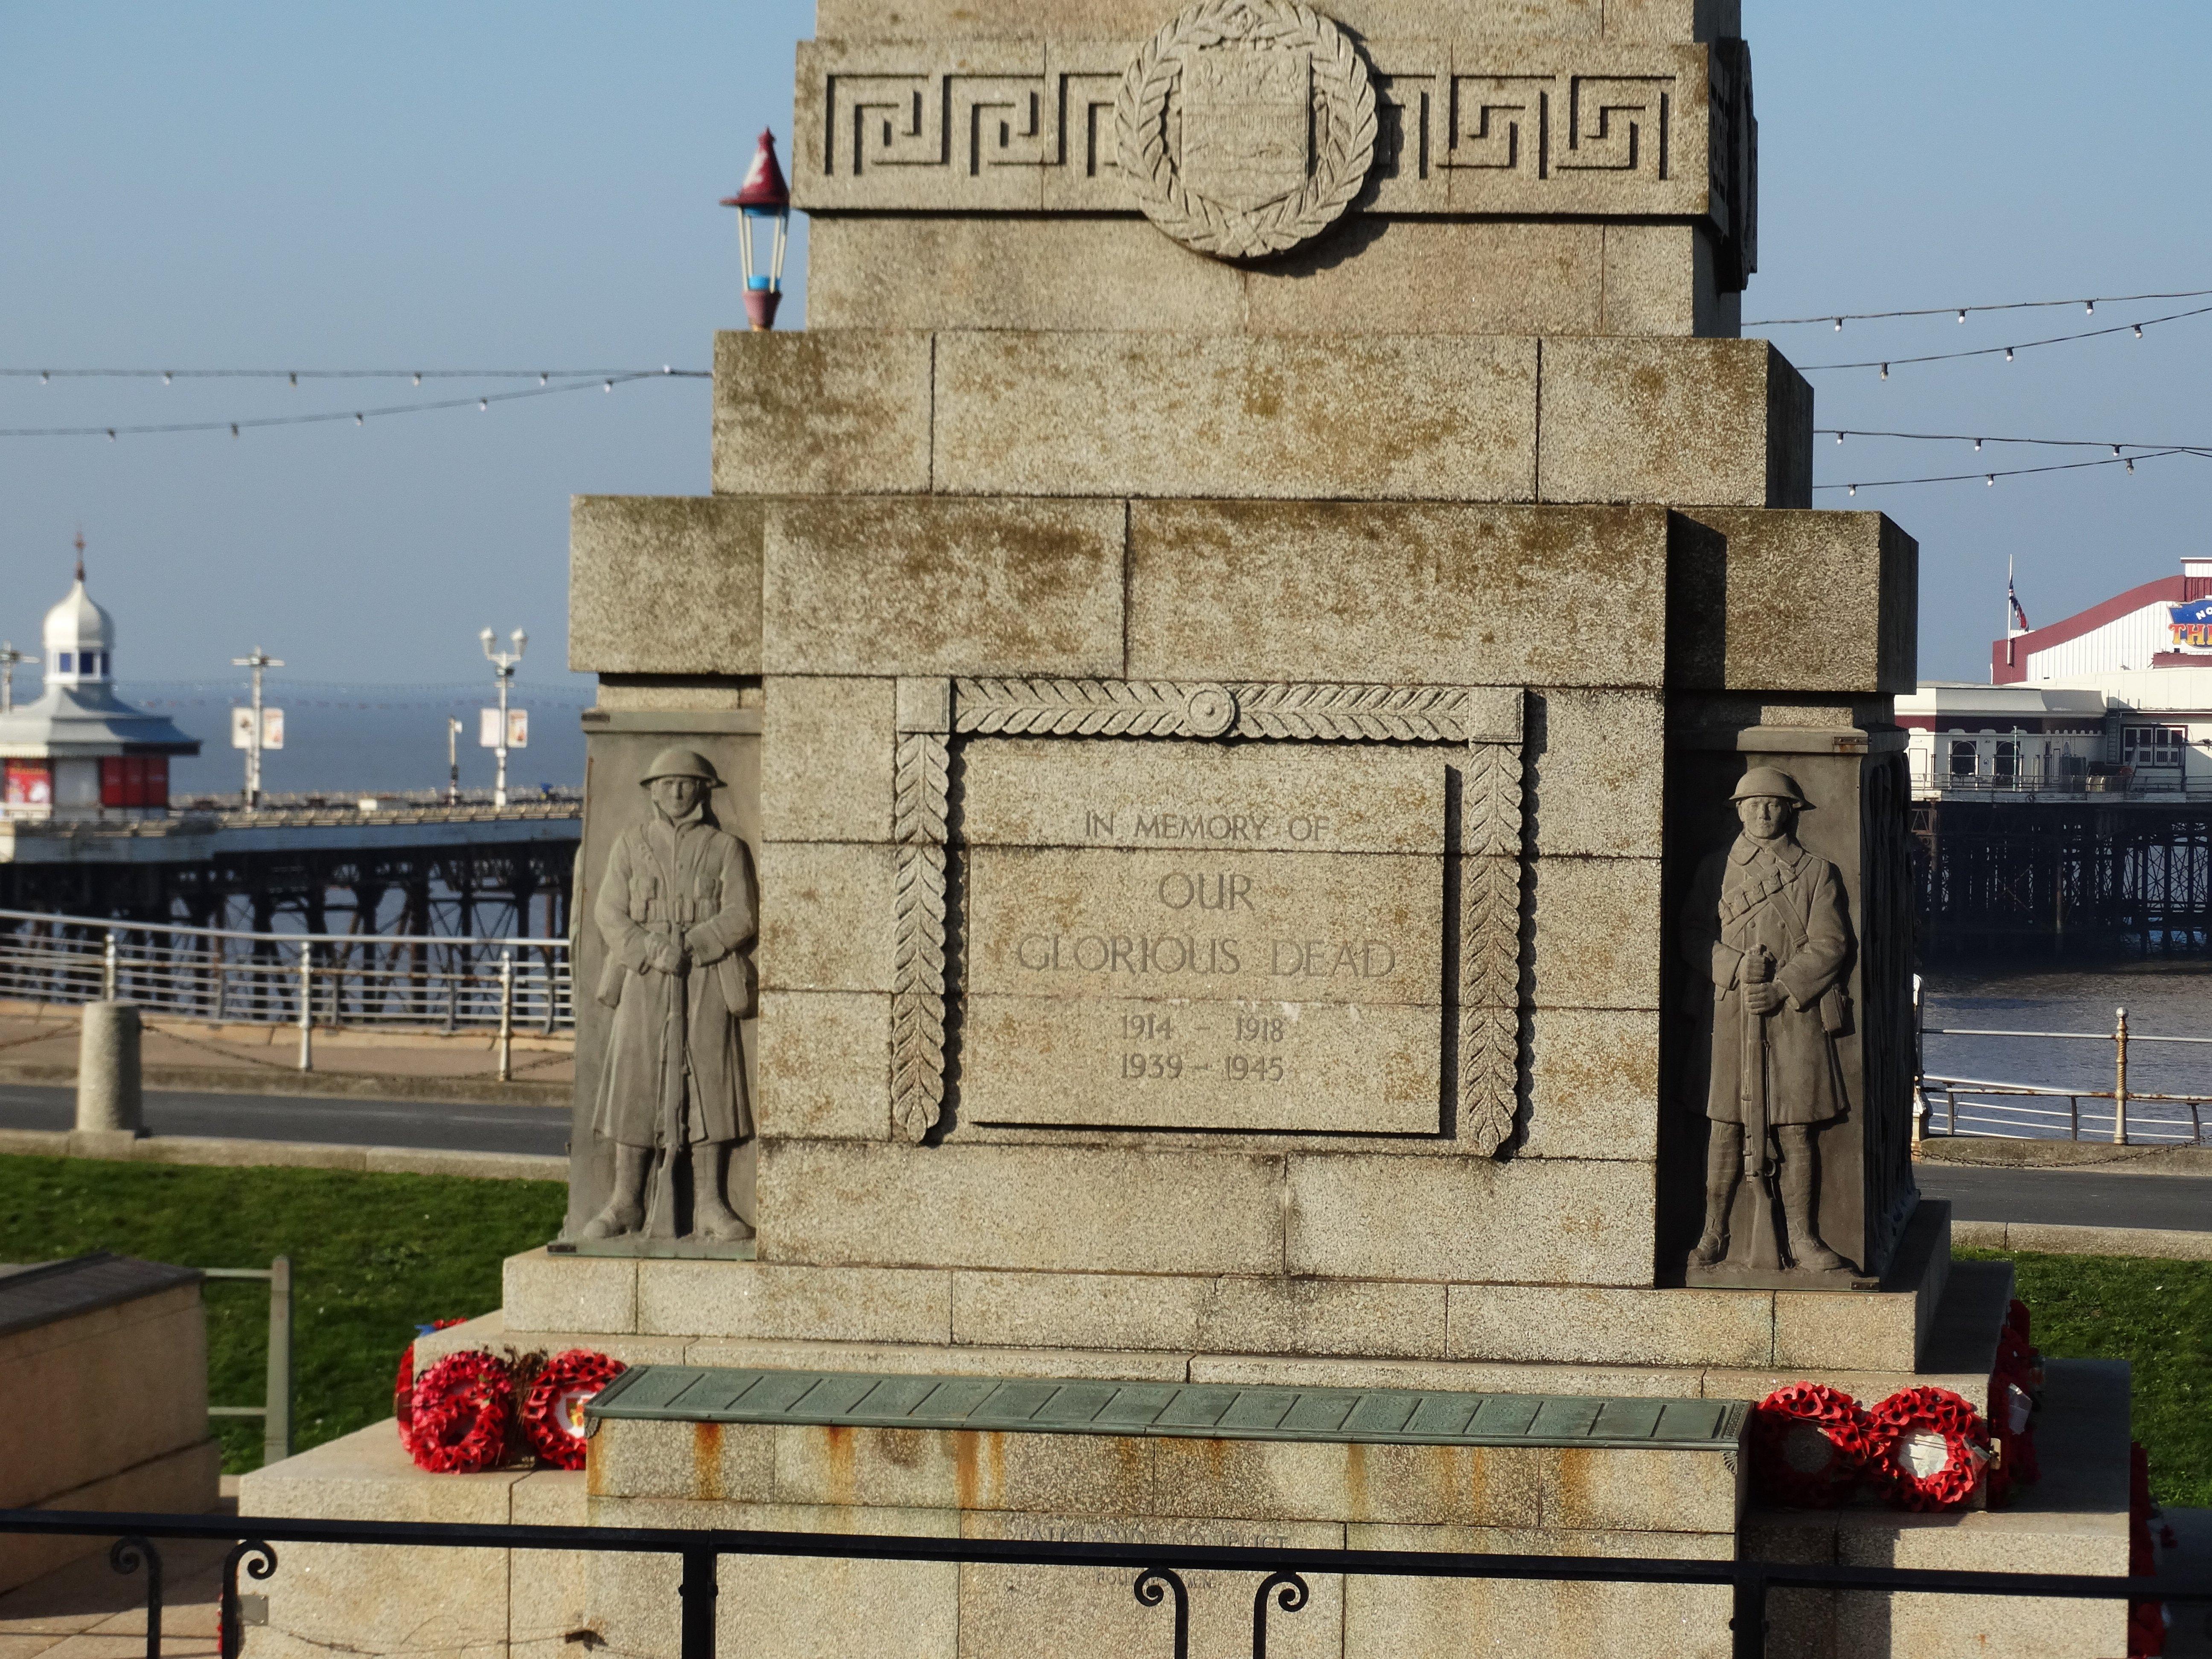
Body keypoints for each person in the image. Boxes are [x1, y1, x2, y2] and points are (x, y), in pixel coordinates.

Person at [579, 747, 755, 1243]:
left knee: (711, 1088)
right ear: (652, 791)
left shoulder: (726, 848)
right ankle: (625, 1202)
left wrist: (697, 944)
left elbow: (743, 913)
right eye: (666, 783)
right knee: (633, 1085)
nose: (676, 791)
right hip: (643, 978)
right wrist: (650, 948)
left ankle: (710, 1205)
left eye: (686, 782)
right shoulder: (630, 844)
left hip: (706, 977)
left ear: (703, 790)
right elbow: (609, 913)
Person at [1682, 767, 1851, 1272]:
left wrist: (1782, 987)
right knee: (1725, 1128)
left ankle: (1803, 1239)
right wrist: (1734, 965)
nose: (1764, 812)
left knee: (1797, 1132)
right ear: (1738, 809)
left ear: (1791, 811)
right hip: (1730, 1017)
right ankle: (1714, 1233)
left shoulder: (1816, 872)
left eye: (1775, 804)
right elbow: (1690, 933)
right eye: (1754, 803)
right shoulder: (1715, 869)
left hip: (1793, 1019)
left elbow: (1831, 944)